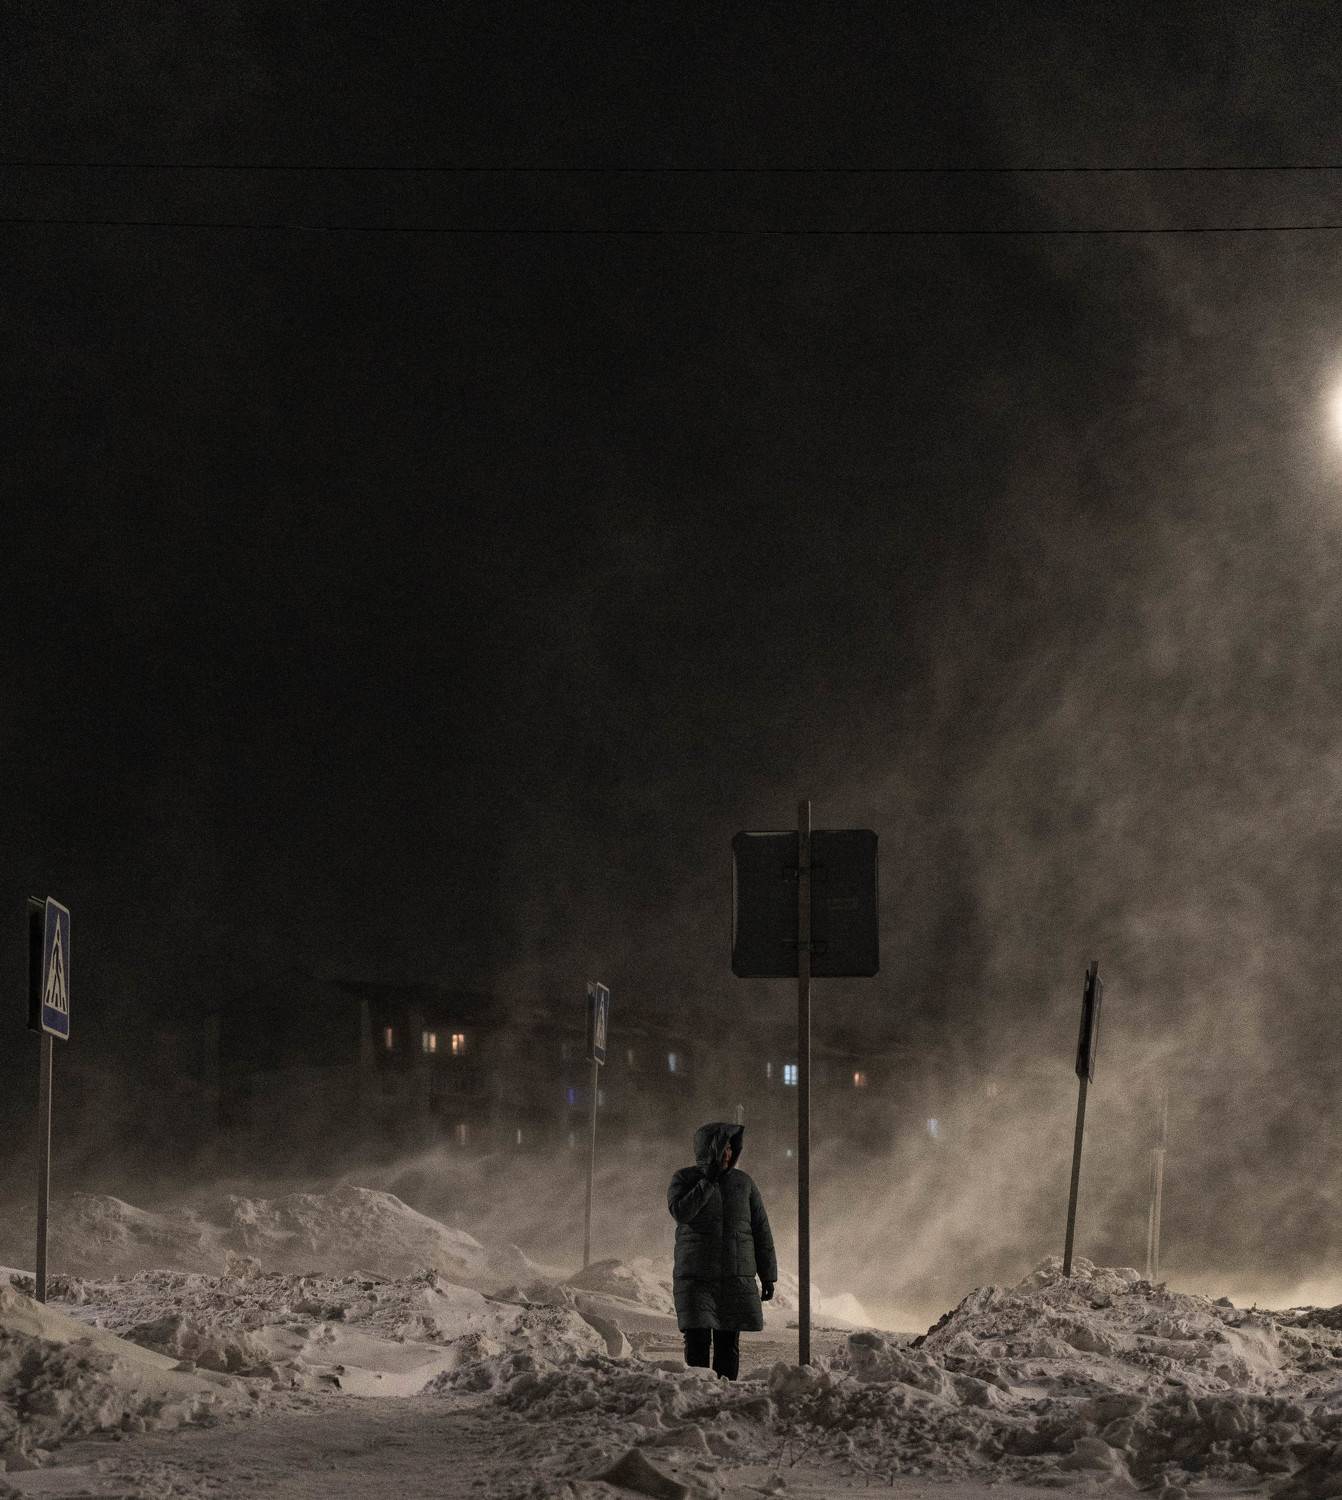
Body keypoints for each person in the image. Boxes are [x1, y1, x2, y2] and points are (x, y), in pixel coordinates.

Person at [667, 1120, 777, 1381]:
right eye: (722, 1147)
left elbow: (760, 1230)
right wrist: (708, 1181)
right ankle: (697, 1394)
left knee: (728, 1345)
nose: (728, 1153)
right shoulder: (684, 1179)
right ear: (709, 1149)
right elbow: (682, 1212)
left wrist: (768, 1275)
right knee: (697, 1341)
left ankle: (725, 1395)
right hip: (696, 1279)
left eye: (730, 1148)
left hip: (734, 1279)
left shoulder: (744, 1183)